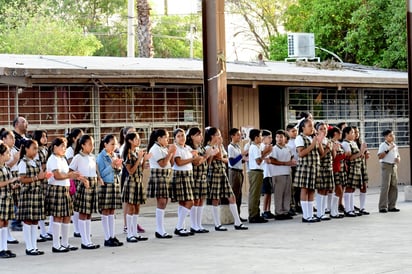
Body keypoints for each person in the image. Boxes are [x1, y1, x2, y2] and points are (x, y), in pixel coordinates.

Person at [204, 127, 248, 231]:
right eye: (218, 134)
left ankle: (237, 222)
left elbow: (226, 159)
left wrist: (220, 155)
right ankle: (217, 223)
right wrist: (218, 152)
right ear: (212, 136)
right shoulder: (207, 148)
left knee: (231, 196)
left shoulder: (220, 147)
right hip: (214, 173)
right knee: (215, 199)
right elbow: (216, 157)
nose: (220, 137)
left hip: (223, 172)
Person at [46, 137, 82, 253]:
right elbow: (57, 175)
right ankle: (56, 244)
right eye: (62, 146)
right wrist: (70, 176)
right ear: (55, 147)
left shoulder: (62, 158)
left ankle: (65, 243)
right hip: (56, 189)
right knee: (58, 216)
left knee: (67, 216)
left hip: (65, 189)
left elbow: (65, 173)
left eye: (65, 146)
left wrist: (72, 175)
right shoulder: (52, 159)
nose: (64, 149)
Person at [69, 135, 102, 249]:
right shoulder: (78, 157)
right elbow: (71, 171)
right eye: (89, 144)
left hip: (92, 184)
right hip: (83, 185)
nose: (92, 147)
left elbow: (95, 169)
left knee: (89, 214)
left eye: (93, 144)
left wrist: (98, 178)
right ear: (82, 145)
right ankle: (84, 241)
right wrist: (81, 179)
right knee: (83, 213)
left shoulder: (92, 156)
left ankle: (88, 239)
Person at [17, 139, 47, 255]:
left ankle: (34, 246)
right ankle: (29, 247)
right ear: (26, 149)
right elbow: (22, 179)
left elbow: (40, 176)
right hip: (28, 194)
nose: (36, 151)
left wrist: (44, 176)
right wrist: (37, 178)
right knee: (28, 220)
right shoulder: (23, 162)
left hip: (36, 193)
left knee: (35, 220)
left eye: (37, 148)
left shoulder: (36, 161)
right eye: (34, 148)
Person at [170, 128, 199, 236]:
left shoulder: (188, 147)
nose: (182, 138)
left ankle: (181, 227)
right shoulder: (176, 148)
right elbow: (179, 162)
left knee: (184, 202)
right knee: (189, 201)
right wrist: (192, 158)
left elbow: (196, 161)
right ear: (175, 138)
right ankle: (179, 227)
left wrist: (198, 156)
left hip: (189, 174)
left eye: (183, 135)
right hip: (180, 175)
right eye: (179, 136)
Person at [147, 129, 175, 239]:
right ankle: (159, 229)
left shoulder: (163, 148)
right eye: (166, 137)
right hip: (159, 176)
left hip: (166, 175)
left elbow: (170, 163)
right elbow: (162, 164)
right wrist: (170, 153)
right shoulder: (155, 148)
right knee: (161, 202)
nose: (168, 140)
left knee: (165, 201)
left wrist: (171, 153)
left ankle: (161, 229)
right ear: (159, 138)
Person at [294, 119, 324, 223]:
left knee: (311, 190)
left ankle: (310, 214)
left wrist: (318, 142)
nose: (312, 128)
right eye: (309, 126)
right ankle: (305, 215)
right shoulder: (299, 138)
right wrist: (312, 145)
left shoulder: (312, 138)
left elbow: (321, 152)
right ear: (303, 128)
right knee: (304, 189)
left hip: (314, 167)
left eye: (312, 126)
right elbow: (301, 153)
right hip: (305, 167)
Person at [121, 132, 149, 242]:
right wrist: (139, 159)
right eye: (136, 139)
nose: (139, 140)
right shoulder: (127, 153)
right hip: (131, 182)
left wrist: (144, 159)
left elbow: (140, 170)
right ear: (130, 141)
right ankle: (130, 233)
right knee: (131, 207)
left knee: (137, 207)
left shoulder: (137, 152)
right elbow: (131, 171)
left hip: (138, 181)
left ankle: (135, 233)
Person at [96, 134, 124, 247]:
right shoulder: (101, 157)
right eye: (112, 144)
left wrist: (118, 168)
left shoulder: (114, 155)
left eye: (115, 144)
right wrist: (111, 166)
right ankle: (107, 237)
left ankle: (112, 236)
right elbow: (101, 173)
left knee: (112, 210)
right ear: (105, 144)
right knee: (106, 210)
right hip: (106, 184)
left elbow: (119, 172)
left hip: (114, 183)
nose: (114, 146)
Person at [185, 127, 214, 233]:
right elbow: (196, 162)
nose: (201, 137)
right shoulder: (189, 147)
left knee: (201, 200)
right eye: (198, 135)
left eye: (201, 135)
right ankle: (194, 225)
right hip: (195, 176)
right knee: (195, 200)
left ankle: (199, 224)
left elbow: (206, 162)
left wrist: (210, 156)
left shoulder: (201, 147)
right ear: (192, 136)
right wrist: (207, 155)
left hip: (203, 175)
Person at [266, 130, 296, 220]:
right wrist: (285, 163)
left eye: (281, 137)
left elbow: (292, 158)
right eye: (277, 137)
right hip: (278, 173)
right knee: (279, 194)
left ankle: (286, 211)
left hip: (287, 172)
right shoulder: (274, 149)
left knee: (287, 193)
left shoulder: (288, 148)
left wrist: (291, 162)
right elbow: (272, 161)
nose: (279, 139)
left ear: (285, 138)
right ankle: (279, 212)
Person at [341, 127, 367, 217]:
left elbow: (358, 155)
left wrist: (362, 153)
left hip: (357, 167)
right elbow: (350, 157)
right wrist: (361, 151)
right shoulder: (345, 143)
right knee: (349, 188)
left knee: (352, 189)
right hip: (351, 168)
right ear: (346, 134)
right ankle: (348, 209)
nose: (354, 134)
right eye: (352, 132)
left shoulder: (353, 142)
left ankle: (351, 208)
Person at [247, 129, 271, 223]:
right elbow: (258, 161)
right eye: (260, 136)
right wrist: (265, 152)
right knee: (254, 194)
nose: (261, 138)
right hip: (255, 171)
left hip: (258, 171)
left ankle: (256, 213)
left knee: (257, 194)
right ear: (256, 137)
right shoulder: (254, 147)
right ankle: (253, 215)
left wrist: (265, 152)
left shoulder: (257, 146)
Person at [1, 129, 20, 244]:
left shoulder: (14, 150)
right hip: (2, 193)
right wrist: (15, 159)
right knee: (2, 219)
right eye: (11, 138)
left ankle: (4, 243)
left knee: (7, 217)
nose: (13, 140)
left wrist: (13, 184)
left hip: (10, 185)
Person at [32, 130, 52, 241]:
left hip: (47, 179)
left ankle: (48, 231)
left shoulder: (45, 149)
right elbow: (40, 165)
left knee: (45, 206)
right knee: (40, 206)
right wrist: (44, 167)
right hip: (41, 179)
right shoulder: (37, 151)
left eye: (46, 136)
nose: (45, 139)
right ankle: (43, 232)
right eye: (42, 137)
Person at [65, 128, 84, 238]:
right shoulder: (70, 150)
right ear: (73, 138)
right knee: (76, 205)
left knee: (79, 205)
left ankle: (79, 229)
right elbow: (71, 165)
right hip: (74, 179)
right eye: (79, 136)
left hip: (80, 178)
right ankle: (77, 229)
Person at [11, 117, 28, 232]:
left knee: (22, 196)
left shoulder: (26, 139)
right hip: (13, 170)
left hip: (24, 170)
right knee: (15, 197)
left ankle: (20, 220)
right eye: (23, 122)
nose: (26, 124)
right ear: (16, 124)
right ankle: (15, 221)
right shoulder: (10, 139)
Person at [314, 122, 334, 221]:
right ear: (317, 130)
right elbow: (320, 156)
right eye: (321, 129)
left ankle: (323, 210)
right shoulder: (317, 140)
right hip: (321, 168)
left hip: (328, 167)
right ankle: (319, 212)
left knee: (326, 190)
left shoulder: (328, 140)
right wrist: (326, 150)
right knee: (321, 190)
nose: (323, 131)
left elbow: (332, 156)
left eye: (325, 129)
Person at [377, 129, 400, 213]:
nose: (393, 136)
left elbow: (398, 155)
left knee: (394, 186)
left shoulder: (394, 145)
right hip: (386, 165)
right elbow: (380, 156)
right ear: (386, 137)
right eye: (390, 135)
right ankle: (382, 206)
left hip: (394, 166)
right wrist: (388, 149)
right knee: (385, 186)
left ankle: (392, 205)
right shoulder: (383, 145)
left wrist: (398, 159)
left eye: (393, 135)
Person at [227, 128, 247, 221]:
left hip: (239, 171)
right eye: (237, 135)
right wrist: (241, 155)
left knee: (239, 194)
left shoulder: (238, 146)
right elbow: (232, 162)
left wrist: (244, 159)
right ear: (232, 136)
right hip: (234, 172)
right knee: (234, 193)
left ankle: (238, 214)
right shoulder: (230, 147)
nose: (239, 137)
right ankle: (234, 216)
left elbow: (238, 161)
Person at [327, 126, 345, 218]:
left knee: (339, 190)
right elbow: (333, 158)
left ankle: (334, 210)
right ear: (335, 134)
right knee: (338, 189)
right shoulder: (331, 143)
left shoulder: (338, 143)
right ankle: (332, 210)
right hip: (334, 168)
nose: (341, 134)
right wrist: (335, 150)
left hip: (340, 168)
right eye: (340, 133)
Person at [354, 126, 370, 215]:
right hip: (354, 167)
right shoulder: (350, 143)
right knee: (351, 188)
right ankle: (349, 207)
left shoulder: (361, 143)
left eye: (358, 132)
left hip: (362, 166)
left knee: (364, 187)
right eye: (355, 132)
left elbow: (365, 155)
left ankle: (362, 207)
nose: (357, 134)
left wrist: (366, 153)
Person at [260, 130, 276, 220]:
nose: (271, 139)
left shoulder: (270, 147)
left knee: (269, 192)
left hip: (270, 172)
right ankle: (264, 210)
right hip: (264, 172)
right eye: (269, 137)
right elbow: (263, 158)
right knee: (266, 192)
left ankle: (268, 210)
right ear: (264, 138)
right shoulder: (262, 147)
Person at [286, 123, 299, 215]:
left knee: (298, 187)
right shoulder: (287, 143)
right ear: (288, 132)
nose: (295, 133)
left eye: (296, 131)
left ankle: (298, 204)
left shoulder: (298, 140)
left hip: (299, 165)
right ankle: (291, 206)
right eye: (293, 131)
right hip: (291, 166)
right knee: (291, 187)